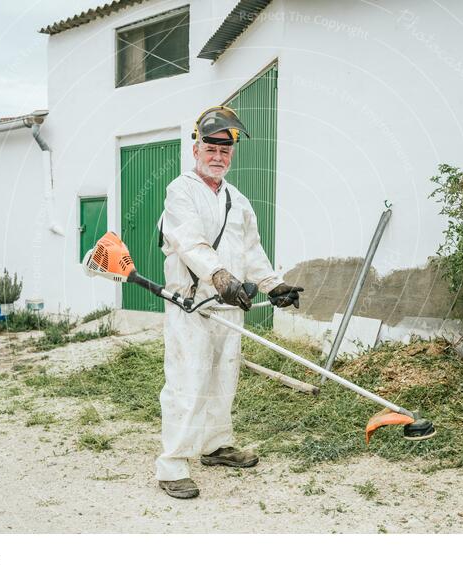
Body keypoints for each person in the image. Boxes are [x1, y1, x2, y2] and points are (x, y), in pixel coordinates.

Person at [155, 106, 303, 499]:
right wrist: (220, 277)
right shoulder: (180, 191)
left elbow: (251, 250)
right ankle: (172, 463)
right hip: (192, 305)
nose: (218, 155)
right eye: (211, 146)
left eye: (226, 147)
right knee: (188, 382)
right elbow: (189, 243)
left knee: (223, 379)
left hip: (228, 308)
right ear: (196, 147)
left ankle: (216, 446)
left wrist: (274, 286)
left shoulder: (238, 200)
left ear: (232, 151)